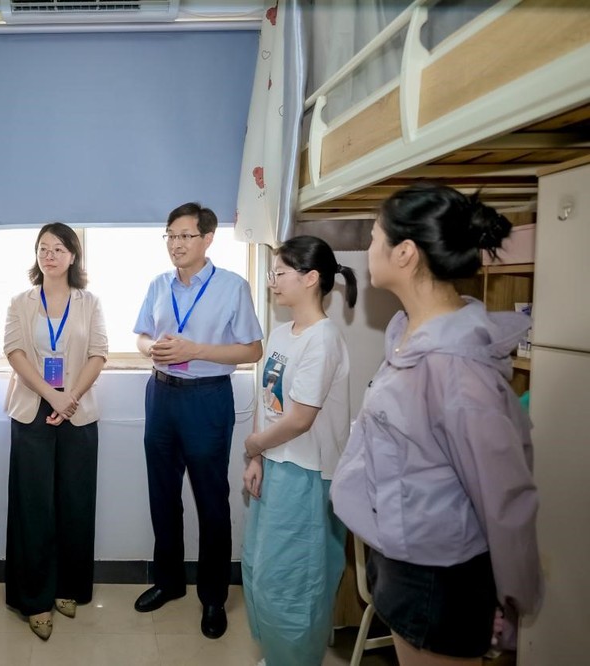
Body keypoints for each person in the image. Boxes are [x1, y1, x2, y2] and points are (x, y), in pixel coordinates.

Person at [331, 183, 543, 665]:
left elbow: (504, 495)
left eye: (373, 238)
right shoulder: (409, 337)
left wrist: (514, 597)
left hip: (437, 577)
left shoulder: (457, 369)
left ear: (405, 253)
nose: (368, 250)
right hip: (402, 556)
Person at [133, 202, 263, 639]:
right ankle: (169, 581)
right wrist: (151, 348)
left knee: (211, 500)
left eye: (185, 235)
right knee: (162, 495)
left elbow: (252, 350)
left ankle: (213, 597)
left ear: (208, 239)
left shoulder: (232, 286)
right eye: (170, 235)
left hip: (207, 398)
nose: (176, 244)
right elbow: (141, 335)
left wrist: (196, 350)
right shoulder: (158, 284)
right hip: (161, 395)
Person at [240, 235, 358, 666]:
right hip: (275, 465)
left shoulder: (323, 340)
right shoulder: (281, 333)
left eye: (280, 273)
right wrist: (257, 457)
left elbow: (300, 419)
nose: (272, 281)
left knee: (295, 583)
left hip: (306, 475)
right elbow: (267, 401)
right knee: (260, 570)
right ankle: (277, 656)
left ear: (310, 278)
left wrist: (253, 444)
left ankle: (296, 660)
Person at [3, 222, 108, 640]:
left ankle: (69, 587)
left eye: (59, 249)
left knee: (75, 503)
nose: (50, 255)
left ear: (73, 256)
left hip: (77, 412)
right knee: (33, 506)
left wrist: (70, 398)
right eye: (43, 248)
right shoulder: (21, 302)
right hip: (32, 409)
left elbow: (99, 353)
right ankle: (34, 599)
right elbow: (14, 351)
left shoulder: (89, 302)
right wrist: (52, 395)